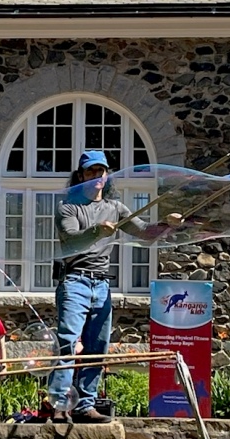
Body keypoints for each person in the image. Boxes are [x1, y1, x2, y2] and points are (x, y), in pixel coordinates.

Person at [49, 150, 183, 424]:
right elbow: (72, 240)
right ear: (80, 176)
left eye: (101, 171)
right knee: (68, 343)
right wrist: (97, 230)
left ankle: (85, 405)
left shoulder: (116, 208)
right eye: (90, 171)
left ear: (106, 175)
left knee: (98, 347)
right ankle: (60, 406)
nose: (96, 176)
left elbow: (145, 233)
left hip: (101, 284)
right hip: (74, 279)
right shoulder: (68, 207)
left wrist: (167, 225)